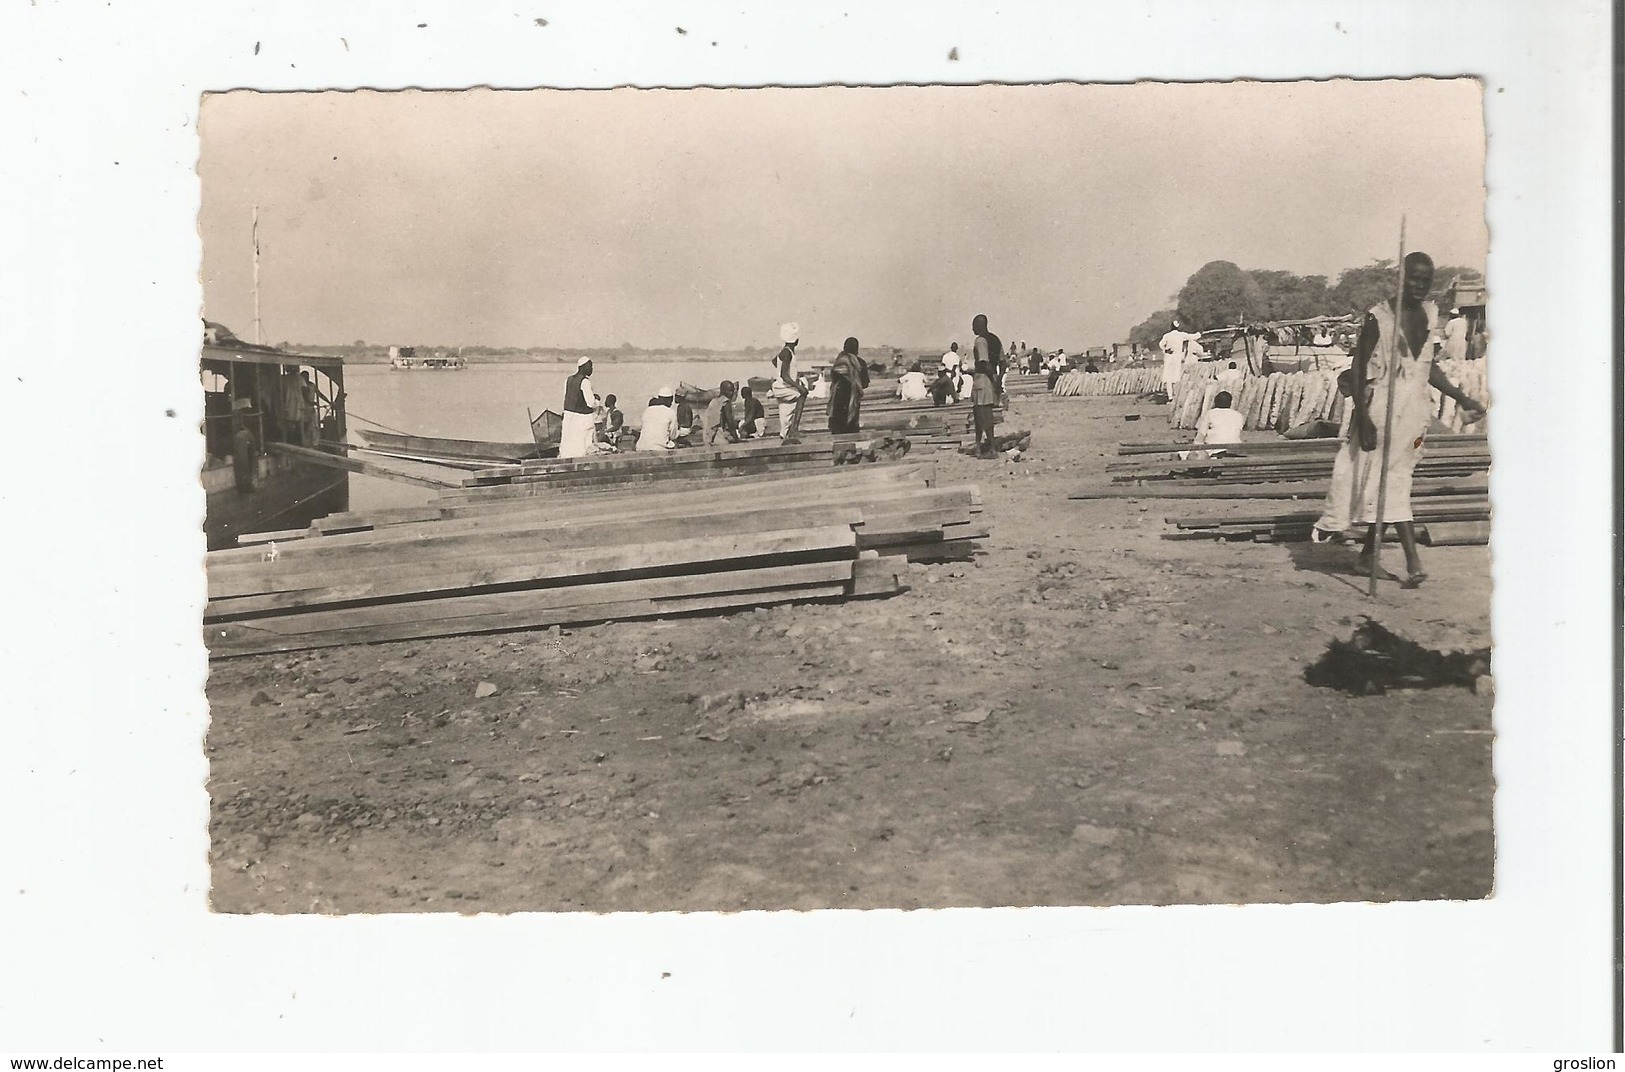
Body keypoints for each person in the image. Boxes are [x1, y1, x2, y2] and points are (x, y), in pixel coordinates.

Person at [1310, 252, 1486, 587]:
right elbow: (1359, 367)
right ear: (1401, 277)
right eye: (1414, 277)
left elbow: (1426, 366)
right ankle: (1413, 562)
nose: (1420, 285)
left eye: (1426, 279)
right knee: (1392, 485)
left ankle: (1365, 557)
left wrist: (1460, 396)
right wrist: (1363, 419)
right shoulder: (1379, 317)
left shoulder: (1430, 313)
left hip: (1414, 412)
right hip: (1381, 410)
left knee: (1391, 482)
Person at [769, 322, 809, 438]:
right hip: (782, 387)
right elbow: (784, 375)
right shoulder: (787, 352)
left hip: (782, 386)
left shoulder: (785, 350)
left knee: (785, 417)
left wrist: (792, 373)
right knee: (803, 394)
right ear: (796, 340)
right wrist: (798, 386)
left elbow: (775, 361)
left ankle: (785, 433)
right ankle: (794, 429)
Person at [1180, 390, 1246, 459]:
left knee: (1183, 454)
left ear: (1215, 402)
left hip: (1214, 449)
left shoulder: (1210, 413)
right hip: (1234, 449)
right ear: (1230, 403)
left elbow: (1200, 436)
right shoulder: (1239, 415)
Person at [559, 356, 599, 458]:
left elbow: (567, 396)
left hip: (568, 416)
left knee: (569, 444)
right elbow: (590, 403)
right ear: (584, 367)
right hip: (581, 418)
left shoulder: (569, 379)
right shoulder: (585, 381)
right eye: (590, 366)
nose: (592, 369)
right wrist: (597, 400)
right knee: (583, 445)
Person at [828, 336, 869, 434]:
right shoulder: (861, 363)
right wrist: (856, 384)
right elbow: (865, 383)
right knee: (852, 427)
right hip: (852, 399)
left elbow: (833, 378)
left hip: (838, 398)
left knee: (837, 427)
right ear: (857, 348)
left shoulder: (839, 362)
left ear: (844, 347)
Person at [1159, 319, 1201, 401]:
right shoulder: (1181, 335)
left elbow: (1161, 344)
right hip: (1177, 358)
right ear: (1177, 327)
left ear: (1171, 327)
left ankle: (1170, 396)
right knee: (1176, 376)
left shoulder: (1167, 335)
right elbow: (1192, 336)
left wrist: (1165, 350)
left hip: (1168, 358)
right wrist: (1199, 333)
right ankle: (1175, 395)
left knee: (1168, 378)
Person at [971, 314, 1005, 399]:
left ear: (980, 325)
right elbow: (1003, 363)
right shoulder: (996, 339)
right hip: (994, 377)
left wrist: (994, 383)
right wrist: (999, 379)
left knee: (982, 410)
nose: (973, 328)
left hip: (983, 380)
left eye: (974, 325)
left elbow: (985, 363)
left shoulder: (980, 341)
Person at [970, 360, 998, 457]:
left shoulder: (976, 379)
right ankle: (991, 448)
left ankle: (981, 448)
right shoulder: (986, 379)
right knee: (987, 423)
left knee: (980, 423)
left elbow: (984, 364)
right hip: (985, 400)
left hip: (978, 401)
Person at [639, 387, 680, 451]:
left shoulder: (647, 410)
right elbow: (673, 435)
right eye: (671, 400)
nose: (671, 403)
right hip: (660, 448)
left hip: (641, 447)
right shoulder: (670, 412)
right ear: (670, 399)